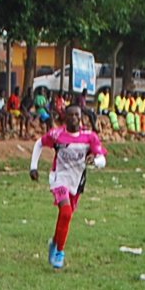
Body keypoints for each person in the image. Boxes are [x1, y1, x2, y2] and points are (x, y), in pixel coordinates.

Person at [29, 102, 107, 271]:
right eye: (70, 115)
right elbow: (39, 144)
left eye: (77, 115)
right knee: (66, 212)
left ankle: (55, 243)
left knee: (65, 216)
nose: (74, 119)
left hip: (77, 181)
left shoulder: (89, 137)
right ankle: (60, 253)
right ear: (65, 117)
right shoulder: (57, 135)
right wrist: (33, 167)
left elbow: (102, 159)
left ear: (81, 117)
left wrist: (95, 161)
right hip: (59, 178)